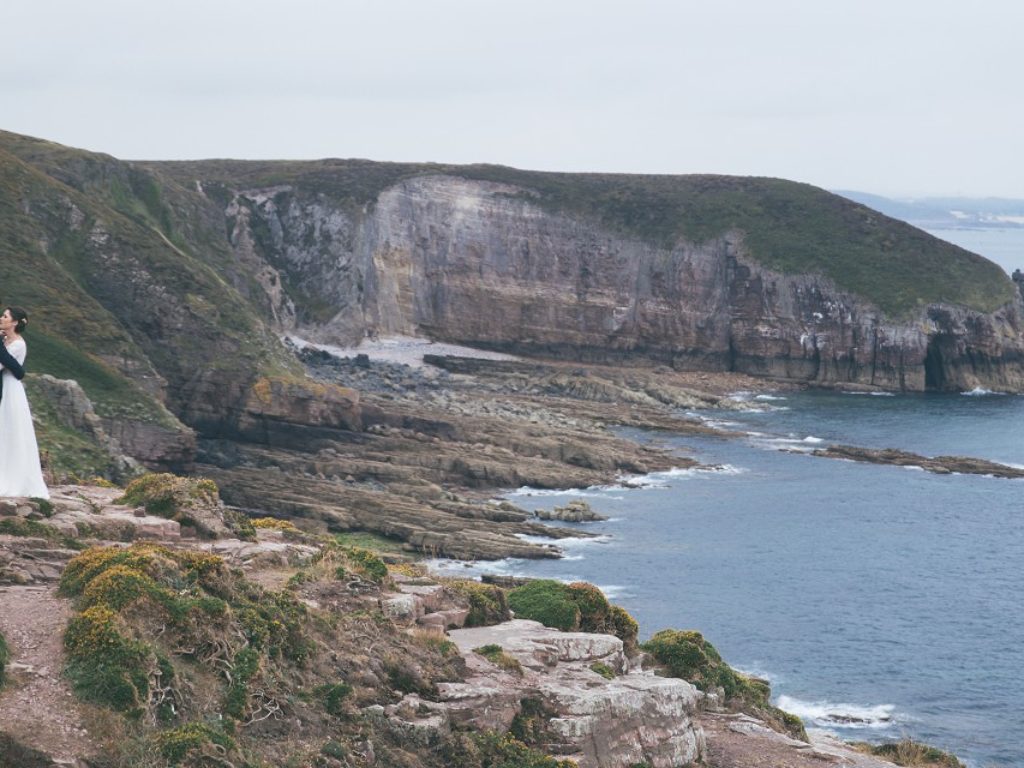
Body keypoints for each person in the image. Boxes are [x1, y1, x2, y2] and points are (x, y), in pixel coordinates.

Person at [0, 307, 49, 499]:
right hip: (4, 386)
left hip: (10, 389)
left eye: (5, 316)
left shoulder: (18, 344)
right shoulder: (5, 341)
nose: (1, 318)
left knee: (10, 430)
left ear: (14, 322)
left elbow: (4, 365)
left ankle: (12, 477)